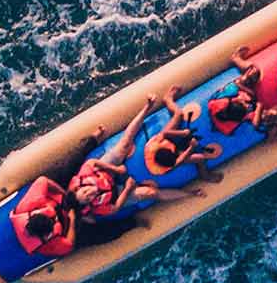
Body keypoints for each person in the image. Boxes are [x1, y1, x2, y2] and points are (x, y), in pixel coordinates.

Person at [71, 94, 203, 220]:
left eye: (84, 192)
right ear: (88, 204)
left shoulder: (84, 176)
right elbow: (116, 207)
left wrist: (116, 170)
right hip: (117, 191)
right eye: (87, 198)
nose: (89, 194)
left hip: (105, 171)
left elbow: (93, 162)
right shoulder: (98, 207)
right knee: (151, 193)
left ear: (80, 188)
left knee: (124, 144)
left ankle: (147, 106)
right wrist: (128, 189)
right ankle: (190, 194)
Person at [144, 85, 224, 181]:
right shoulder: (164, 167)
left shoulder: (157, 143)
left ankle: (168, 99)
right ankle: (205, 175)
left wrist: (182, 133)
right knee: (200, 158)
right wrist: (191, 147)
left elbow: (165, 133)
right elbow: (180, 159)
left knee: (179, 114)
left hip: (165, 140)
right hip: (166, 155)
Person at [9, 175, 77, 257]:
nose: (54, 220)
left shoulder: (29, 204)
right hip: (68, 219)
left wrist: (64, 193)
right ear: (46, 236)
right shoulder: (46, 244)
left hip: (61, 201)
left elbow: (43, 180)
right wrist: (73, 220)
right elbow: (69, 245)